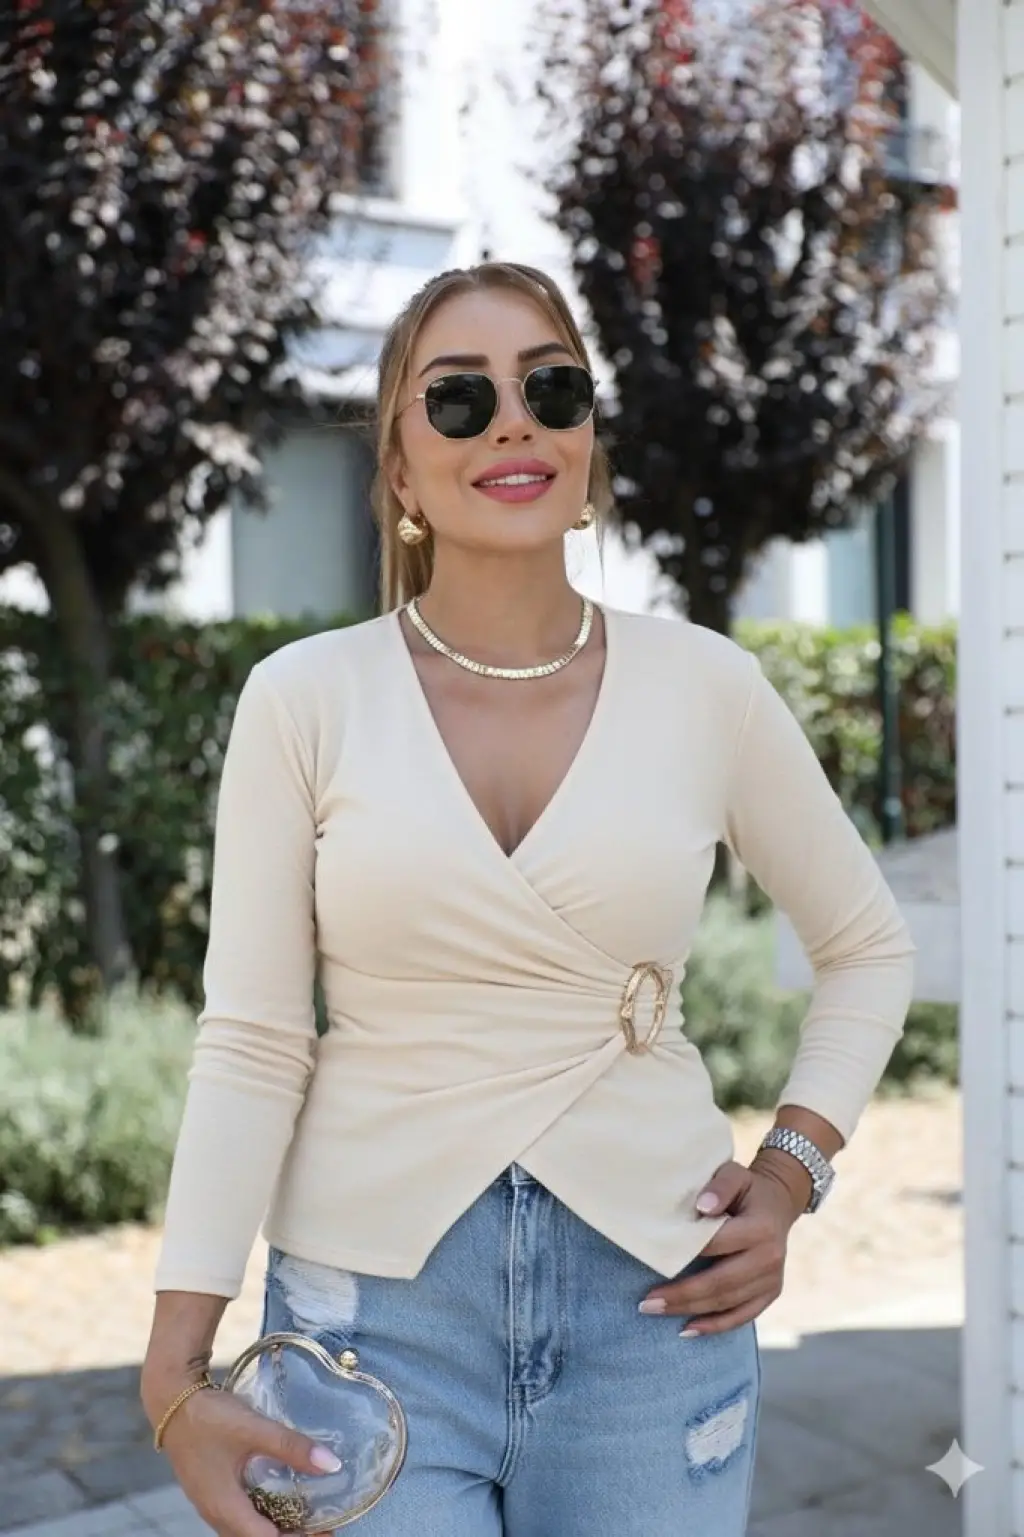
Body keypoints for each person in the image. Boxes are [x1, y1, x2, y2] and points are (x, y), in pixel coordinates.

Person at [141, 261, 915, 1537]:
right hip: (368, 1326)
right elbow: (255, 1039)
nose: (513, 422)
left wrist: (790, 1170)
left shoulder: (707, 688)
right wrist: (175, 1366)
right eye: (460, 398)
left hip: (656, 1311)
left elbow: (866, 946)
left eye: (550, 390)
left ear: (586, 442)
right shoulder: (303, 698)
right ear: (398, 471)